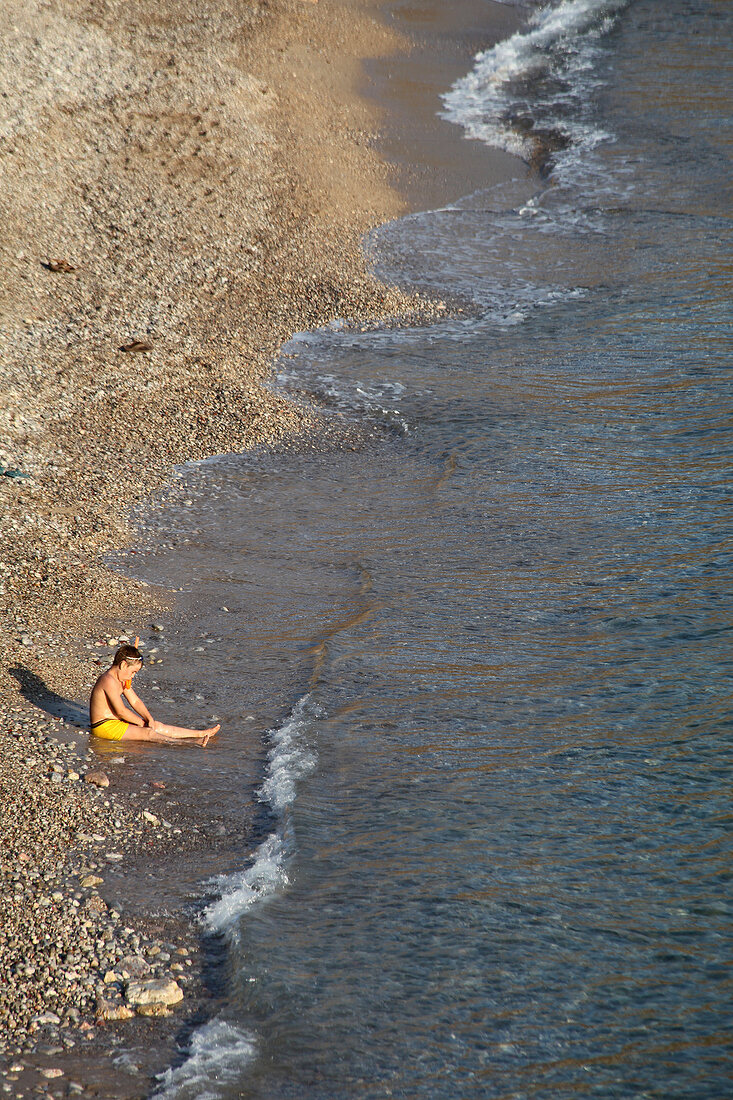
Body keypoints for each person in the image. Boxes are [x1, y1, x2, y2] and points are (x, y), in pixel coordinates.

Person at [89, 642, 219, 746]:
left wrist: (149, 718)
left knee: (157, 725)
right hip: (104, 726)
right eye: (133, 672)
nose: (133, 676)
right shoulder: (108, 680)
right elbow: (121, 711)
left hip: (116, 722)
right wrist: (141, 723)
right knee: (148, 734)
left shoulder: (122, 679)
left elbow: (135, 701)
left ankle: (200, 734)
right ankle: (190, 743)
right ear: (123, 665)